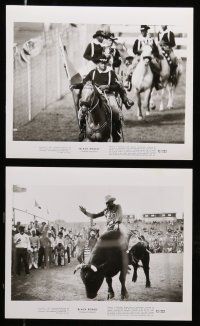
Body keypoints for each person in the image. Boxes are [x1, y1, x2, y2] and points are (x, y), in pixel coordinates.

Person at [76, 55, 134, 141]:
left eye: (104, 63)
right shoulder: (93, 73)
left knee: (115, 111)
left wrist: (107, 87)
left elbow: (117, 86)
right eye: (101, 63)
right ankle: (83, 130)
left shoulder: (111, 73)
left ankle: (116, 131)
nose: (103, 65)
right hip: (94, 96)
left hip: (108, 95)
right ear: (98, 63)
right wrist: (75, 86)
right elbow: (85, 83)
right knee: (82, 110)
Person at [133, 25, 162, 90]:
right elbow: (134, 50)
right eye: (142, 31)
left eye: (144, 31)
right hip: (140, 56)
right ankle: (128, 81)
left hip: (150, 57)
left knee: (157, 66)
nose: (143, 32)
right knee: (132, 65)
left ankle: (156, 82)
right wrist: (138, 52)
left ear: (146, 31)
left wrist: (154, 54)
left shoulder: (150, 39)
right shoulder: (138, 39)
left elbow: (156, 50)